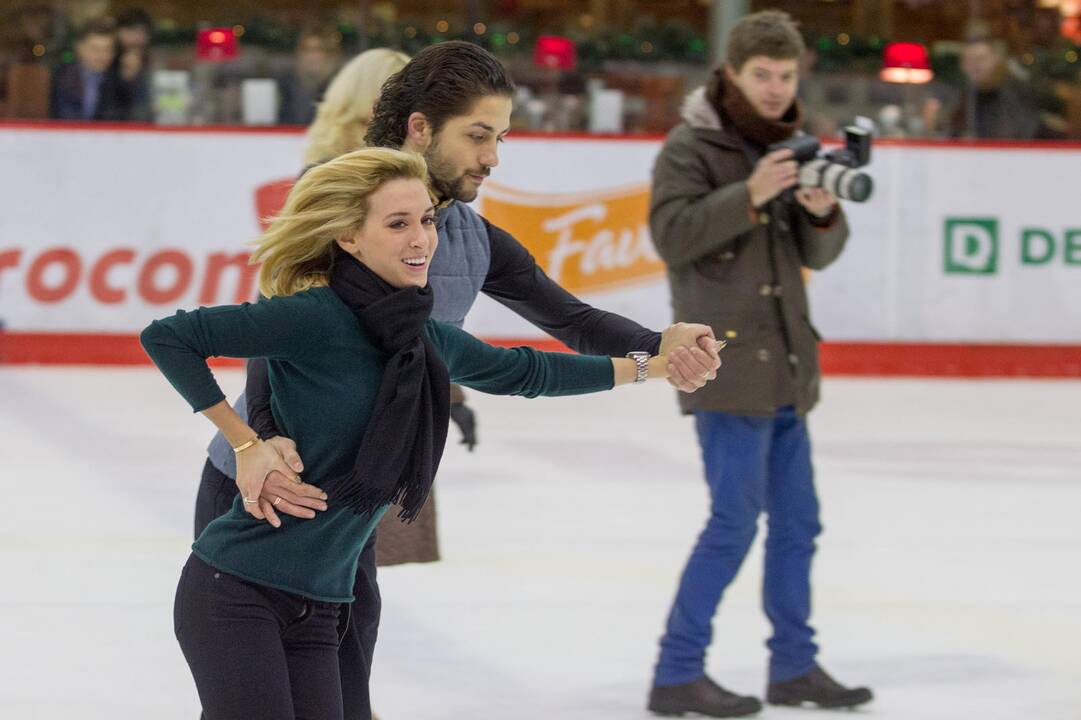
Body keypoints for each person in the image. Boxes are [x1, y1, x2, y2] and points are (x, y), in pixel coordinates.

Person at [196, 41, 721, 720]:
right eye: (477, 135)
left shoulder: (470, 239)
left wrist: (657, 345)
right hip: (262, 485)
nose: (493, 156)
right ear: (419, 128)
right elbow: (275, 333)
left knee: (344, 685)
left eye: (500, 137)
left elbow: (569, 317)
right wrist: (258, 442)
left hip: (350, 503)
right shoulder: (344, 206)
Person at [645, 11, 872, 717]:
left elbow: (813, 255)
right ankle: (676, 672)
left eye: (785, 76)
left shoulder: (790, 147)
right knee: (733, 523)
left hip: (784, 372)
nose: (775, 89)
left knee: (799, 525)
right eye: (761, 76)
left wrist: (820, 210)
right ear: (732, 74)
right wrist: (749, 193)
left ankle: (794, 668)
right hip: (724, 369)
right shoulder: (691, 147)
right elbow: (670, 234)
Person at [49, 17, 125, 120]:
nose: (102, 56)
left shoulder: (119, 82)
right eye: (96, 49)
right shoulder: (62, 78)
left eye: (107, 50)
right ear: (79, 48)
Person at [278, 25, 343, 126]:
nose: (311, 56)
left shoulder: (340, 87)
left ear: (331, 54)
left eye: (318, 49)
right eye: (306, 50)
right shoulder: (287, 85)